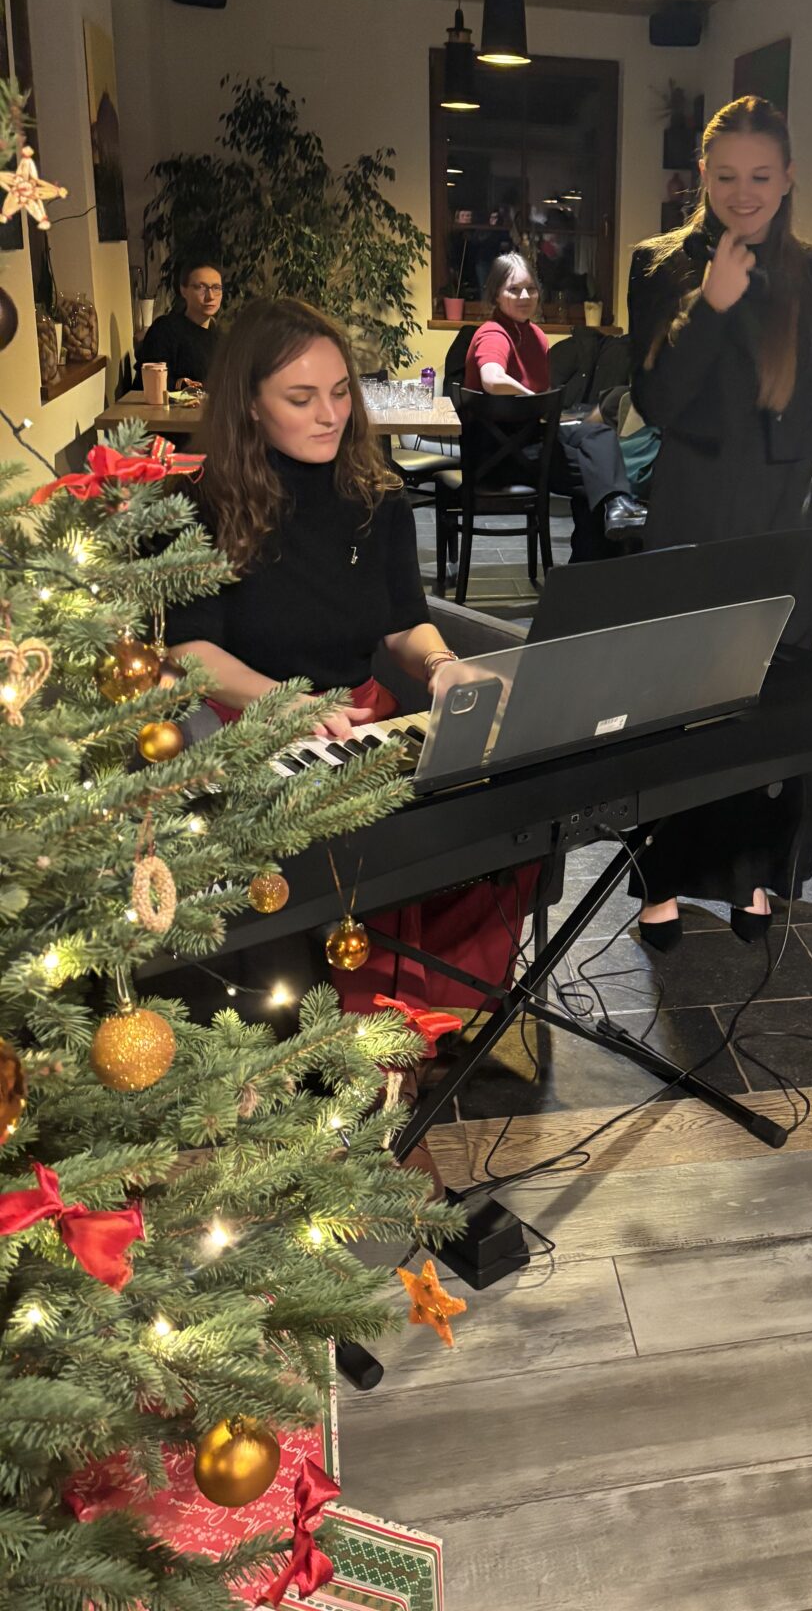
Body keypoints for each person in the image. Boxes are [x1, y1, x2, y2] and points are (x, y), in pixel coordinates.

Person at [166, 300, 537, 1141]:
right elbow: (191, 652)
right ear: (249, 402)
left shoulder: (375, 496)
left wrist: (441, 666)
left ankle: (416, 1023)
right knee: (366, 842)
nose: (330, 414)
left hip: (361, 720)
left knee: (506, 822)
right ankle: (362, 1048)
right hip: (251, 729)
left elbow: (404, 624)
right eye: (302, 397)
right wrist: (285, 705)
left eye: (341, 392)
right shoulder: (202, 504)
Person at [626, 94, 812, 946]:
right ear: (702, 175)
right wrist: (711, 305)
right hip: (691, 514)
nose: (743, 192)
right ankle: (662, 883)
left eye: (760, 175)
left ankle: (749, 874)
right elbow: (655, 402)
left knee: (761, 709)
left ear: (789, 176)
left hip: (780, 526)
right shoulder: (660, 264)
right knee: (679, 704)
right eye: (725, 176)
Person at [463, 252, 645, 560]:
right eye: (514, 289)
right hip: (498, 454)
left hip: (531, 439)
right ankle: (593, 556)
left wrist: (547, 409)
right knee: (599, 477)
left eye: (531, 289)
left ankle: (615, 512)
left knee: (598, 435)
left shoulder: (535, 336)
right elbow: (492, 379)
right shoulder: (494, 333)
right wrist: (539, 402)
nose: (525, 296)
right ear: (495, 295)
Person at [141, 255, 225, 386]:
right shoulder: (165, 330)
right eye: (201, 287)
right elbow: (150, 379)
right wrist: (180, 384)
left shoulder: (220, 337)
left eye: (216, 288)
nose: (210, 296)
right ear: (183, 290)